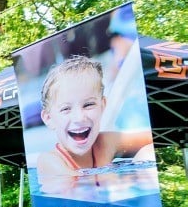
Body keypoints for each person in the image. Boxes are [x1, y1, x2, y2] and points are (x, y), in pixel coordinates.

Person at [36, 55, 153, 195]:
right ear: (48, 118)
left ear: (103, 105)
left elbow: (157, 137)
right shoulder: (49, 161)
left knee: (148, 152)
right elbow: (81, 194)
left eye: (89, 104)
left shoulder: (104, 143)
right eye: (66, 109)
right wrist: (121, 180)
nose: (79, 118)